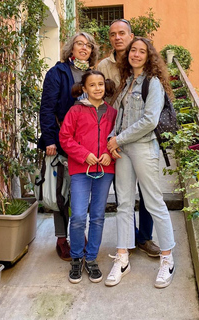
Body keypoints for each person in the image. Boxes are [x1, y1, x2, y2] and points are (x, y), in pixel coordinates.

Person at [105, 37, 176, 289]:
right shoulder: (126, 82)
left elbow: (149, 120)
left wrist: (118, 139)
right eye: (133, 50)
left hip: (144, 147)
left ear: (149, 56)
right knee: (123, 203)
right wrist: (113, 139)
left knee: (154, 202)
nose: (135, 54)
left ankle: (167, 259)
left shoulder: (152, 83)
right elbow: (119, 116)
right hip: (122, 149)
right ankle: (122, 258)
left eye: (141, 51)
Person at [97, 19, 161, 258]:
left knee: (147, 192)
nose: (117, 38)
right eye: (113, 34)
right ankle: (128, 238)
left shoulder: (141, 62)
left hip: (141, 136)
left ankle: (144, 237)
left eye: (122, 33)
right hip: (115, 136)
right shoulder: (105, 65)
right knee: (123, 193)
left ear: (131, 35)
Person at [38, 32, 98, 261]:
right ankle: (62, 239)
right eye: (79, 44)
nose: (84, 48)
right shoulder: (58, 72)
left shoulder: (93, 75)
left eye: (88, 45)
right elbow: (47, 108)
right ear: (70, 49)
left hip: (88, 145)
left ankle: (78, 231)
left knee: (80, 191)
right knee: (61, 191)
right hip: (62, 143)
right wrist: (50, 140)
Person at [59, 70, 117, 283]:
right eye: (92, 85)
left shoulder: (112, 112)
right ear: (84, 88)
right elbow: (65, 138)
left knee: (98, 216)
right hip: (80, 170)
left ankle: (91, 258)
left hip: (105, 171)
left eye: (100, 84)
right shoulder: (75, 111)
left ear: (105, 86)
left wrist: (109, 155)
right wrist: (84, 155)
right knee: (78, 217)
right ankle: (76, 258)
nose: (97, 88)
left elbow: (117, 138)